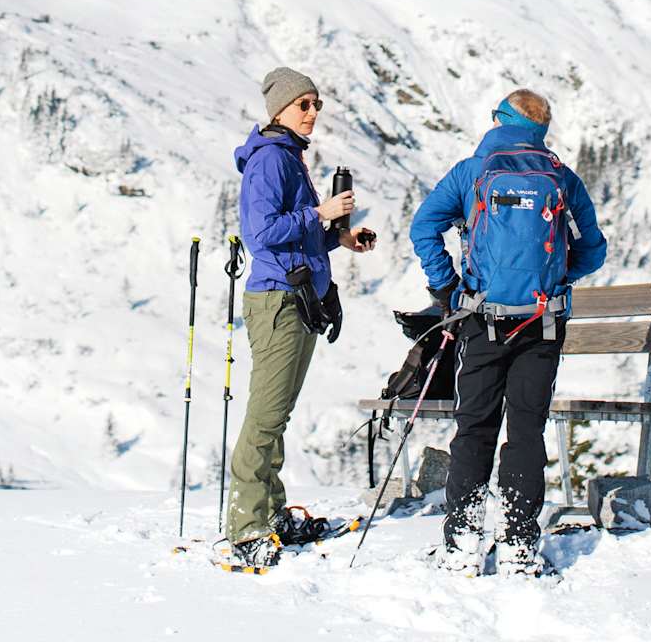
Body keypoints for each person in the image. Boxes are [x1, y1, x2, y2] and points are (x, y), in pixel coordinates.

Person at [409, 89, 606, 576]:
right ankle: (519, 542)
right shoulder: (559, 175)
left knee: (474, 426)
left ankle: (462, 541)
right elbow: (595, 249)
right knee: (525, 431)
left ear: (499, 120)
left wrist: (449, 288)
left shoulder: (473, 172)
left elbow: (424, 227)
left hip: (481, 317)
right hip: (543, 322)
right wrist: (559, 278)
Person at [226, 66, 377, 567]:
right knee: (265, 418)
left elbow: (299, 234)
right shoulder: (271, 160)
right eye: (304, 104)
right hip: (277, 300)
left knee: (278, 415)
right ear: (279, 109)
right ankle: (247, 526)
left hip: (299, 299)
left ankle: (269, 516)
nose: (313, 113)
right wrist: (322, 213)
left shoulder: (290, 157)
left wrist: (341, 237)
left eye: (317, 104)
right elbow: (261, 232)